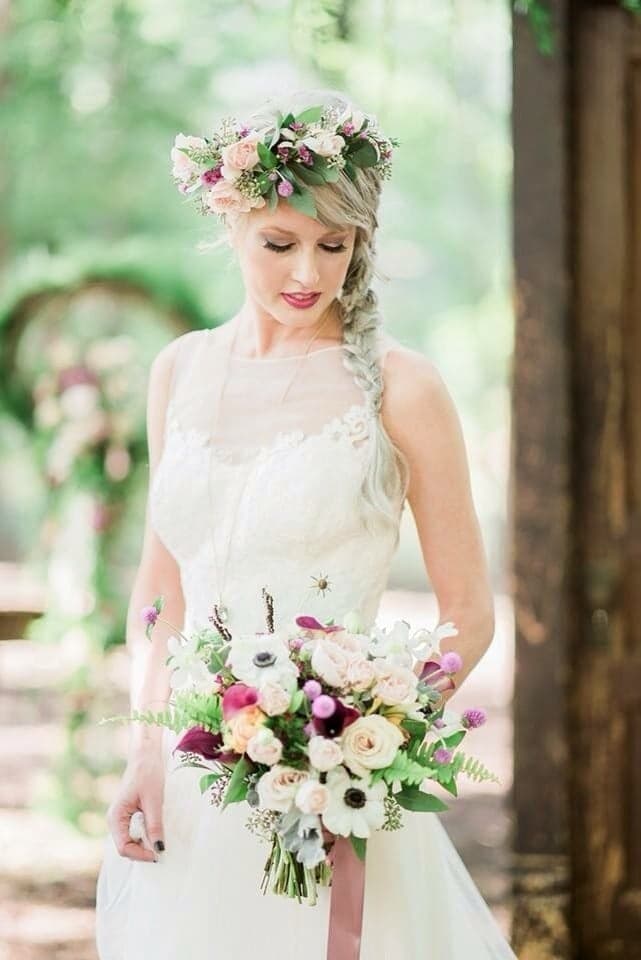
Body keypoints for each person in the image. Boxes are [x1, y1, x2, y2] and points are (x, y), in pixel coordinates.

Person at [95, 89, 517, 958]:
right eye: (279, 244)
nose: (308, 274)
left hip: (336, 787)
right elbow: (158, 592)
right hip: (196, 778)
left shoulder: (404, 388)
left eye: (335, 245)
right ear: (231, 219)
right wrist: (146, 749)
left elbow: (468, 610)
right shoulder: (178, 369)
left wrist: (366, 744)